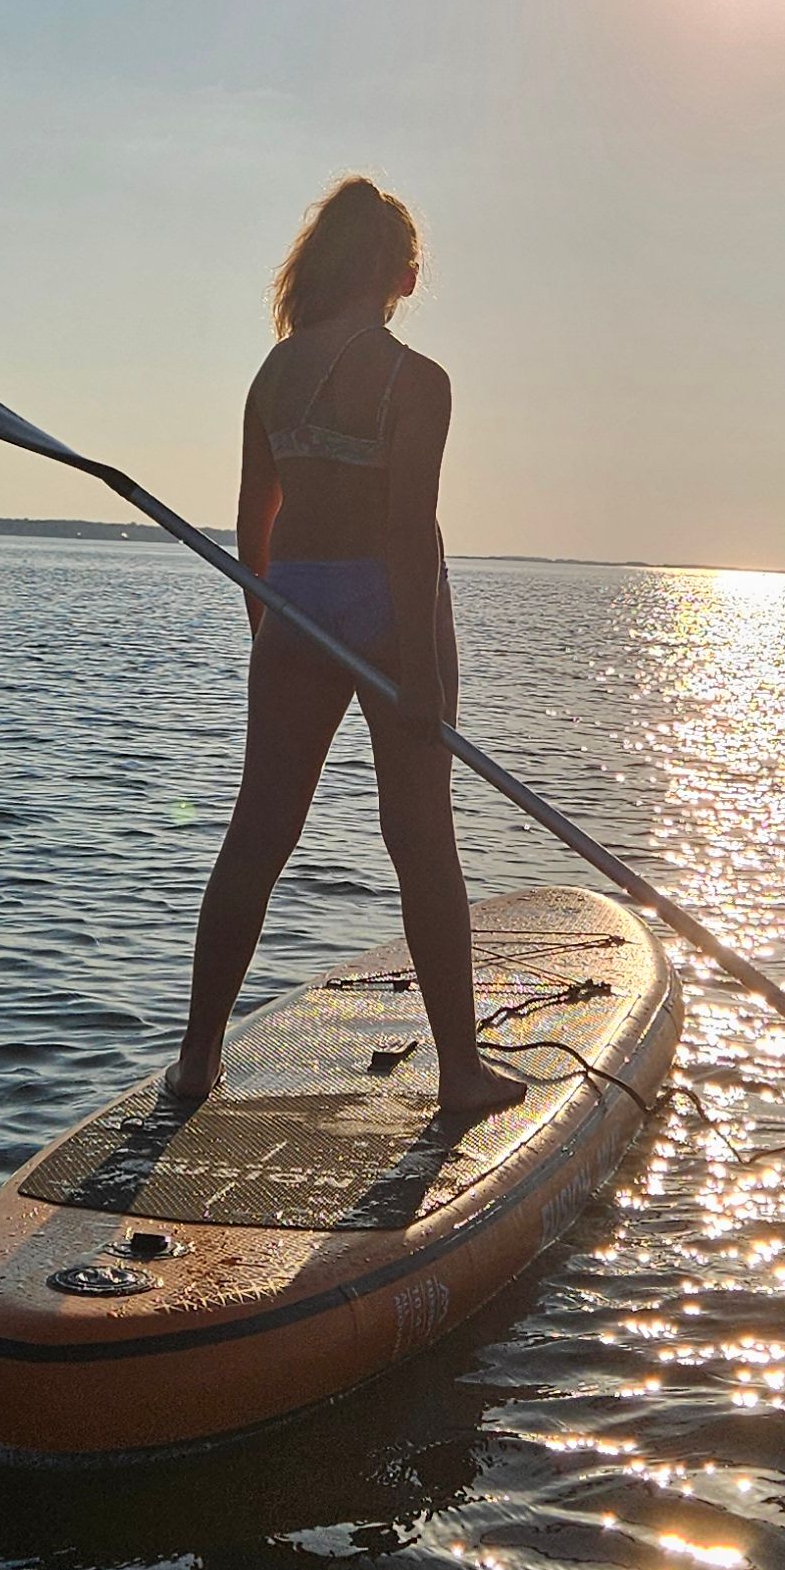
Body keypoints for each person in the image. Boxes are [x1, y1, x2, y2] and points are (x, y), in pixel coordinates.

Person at [169, 177, 525, 1122]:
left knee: (258, 834)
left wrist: (270, 626)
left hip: (296, 600)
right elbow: (409, 531)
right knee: (421, 841)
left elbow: (257, 518)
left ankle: (197, 1060)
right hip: (383, 605)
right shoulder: (417, 381)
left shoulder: (272, 375)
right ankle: (459, 1073)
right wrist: (417, 671)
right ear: (394, 272)